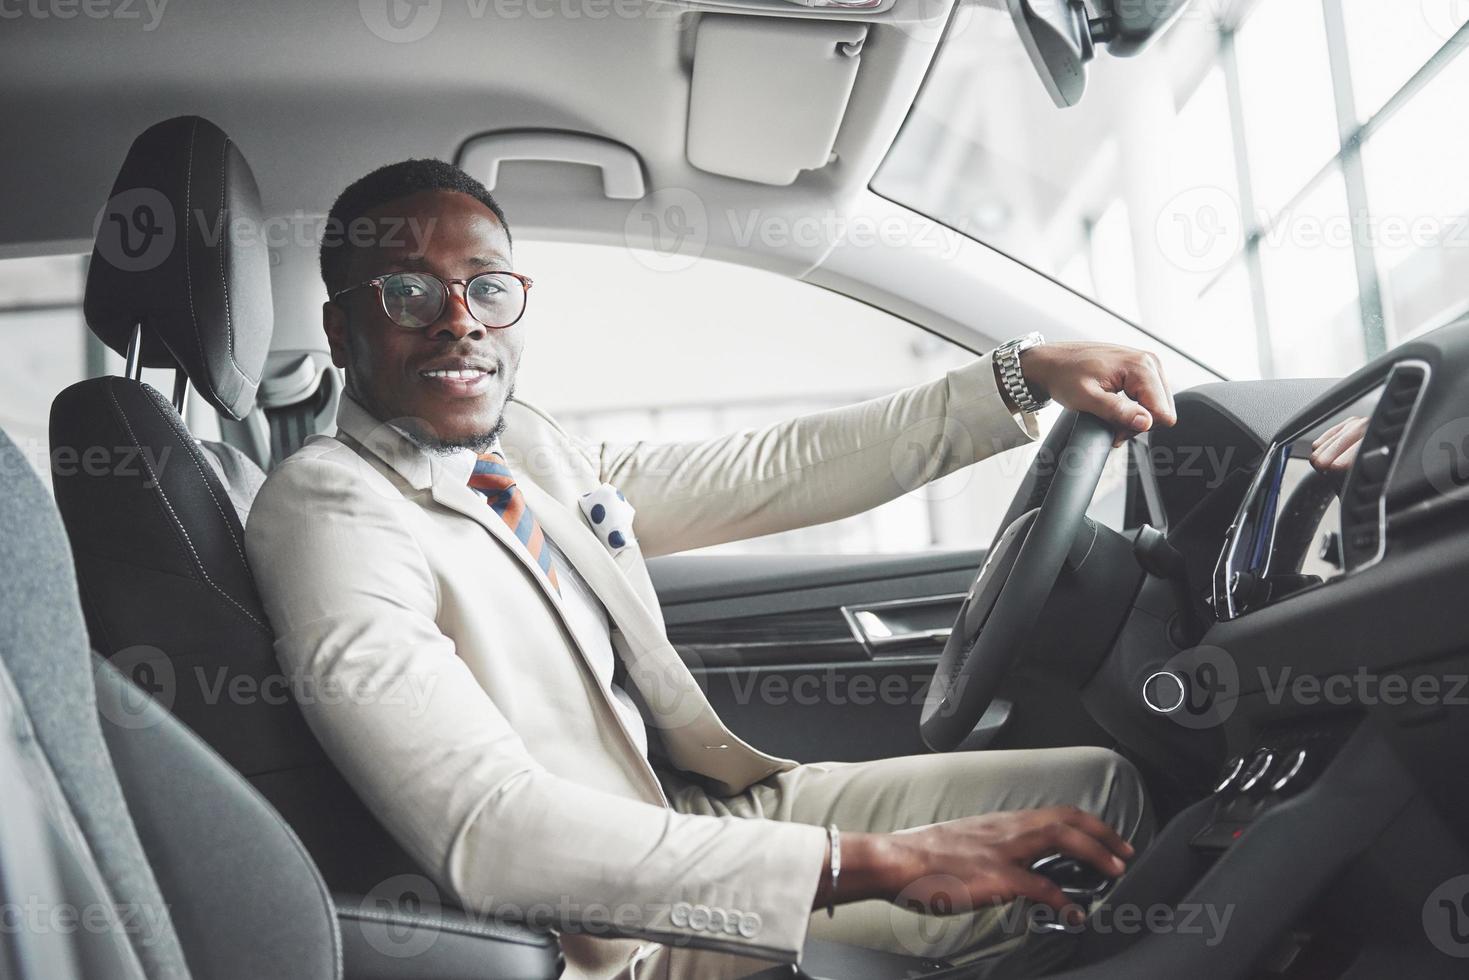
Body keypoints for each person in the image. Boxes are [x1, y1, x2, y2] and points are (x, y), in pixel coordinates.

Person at [245, 159, 1176, 980]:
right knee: (1062, 877)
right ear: (340, 327)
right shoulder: (331, 508)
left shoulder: (518, 446)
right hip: (602, 937)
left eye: (486, 288)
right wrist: (874, 862)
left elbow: (766, 470)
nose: (459, 323)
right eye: (409, 293)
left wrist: (1015, 377)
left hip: (685, 813)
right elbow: (492, 831)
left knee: (1094, 802)